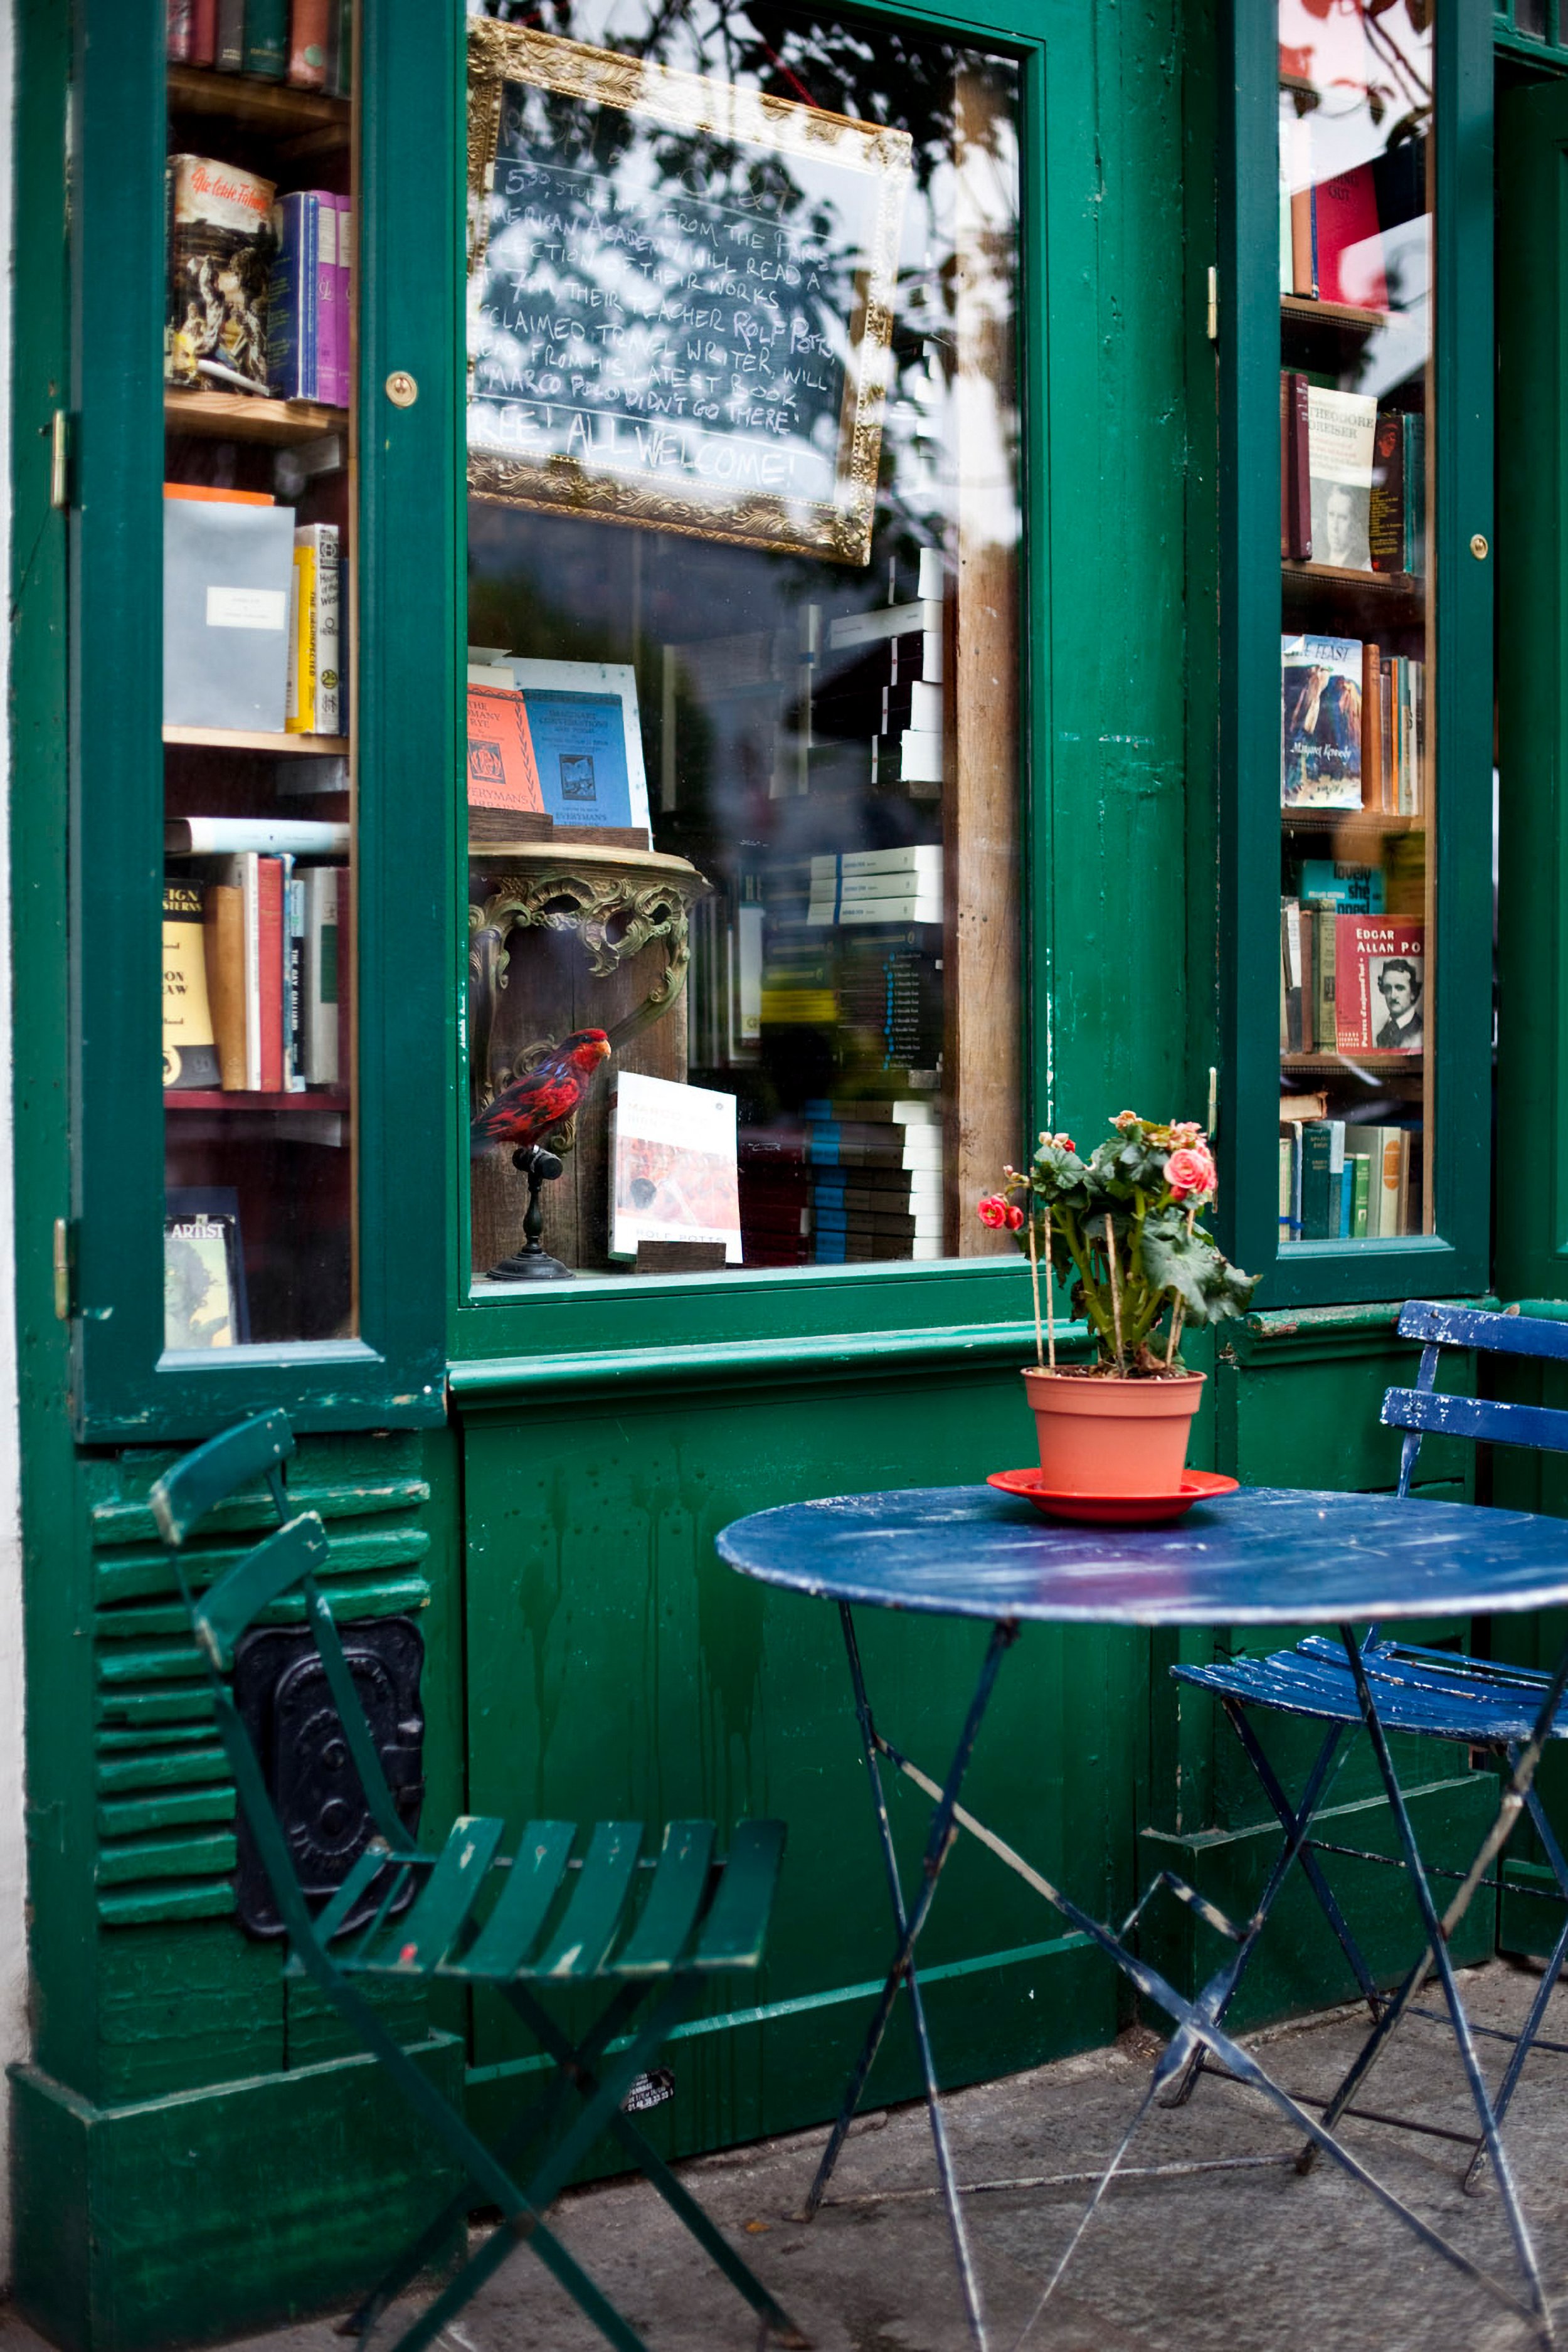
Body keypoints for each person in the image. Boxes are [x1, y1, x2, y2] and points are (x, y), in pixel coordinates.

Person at [1319, 479, 1372, 572]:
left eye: (1343, 518)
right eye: (1331, 515)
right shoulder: (1318, 557)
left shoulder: (1363, 565)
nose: (1335, 526)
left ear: (1354, 524)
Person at [1374, 956, 1422, 1051]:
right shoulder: (1383, 1034)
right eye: (1388, 988)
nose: (1393, 996)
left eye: (1399, 988)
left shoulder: (1420, 1030)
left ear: (1413, 992)